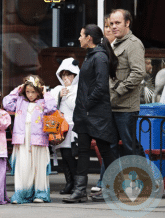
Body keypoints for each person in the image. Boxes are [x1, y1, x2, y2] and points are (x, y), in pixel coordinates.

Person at [63, 24, 118, 203]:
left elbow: (102, 87)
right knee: (83, 150)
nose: (79, 38)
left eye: (81, 35)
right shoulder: (91, 56)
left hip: (96, 113)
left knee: (104, 150)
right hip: (87, 113)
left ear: (89, 38)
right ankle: (79, 191)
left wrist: (87, 104)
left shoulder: (99, 57)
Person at [3, 75, 57, 204]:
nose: (30, 95)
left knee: (39, 166)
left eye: (33, 92)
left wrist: (46, 93)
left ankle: (40, 194)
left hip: (38, 139)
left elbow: (52, 108)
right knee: (23, 166)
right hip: (22, 139)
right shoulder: (20, 101)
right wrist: (17, 90)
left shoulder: (43, 102)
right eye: (28, 91)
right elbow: (6, 103)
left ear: (38, 91)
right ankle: (22, 194)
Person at [109, 9, 146, 158]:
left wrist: (118, 91)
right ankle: (105, 181)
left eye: (117, 23)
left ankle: (147, 177)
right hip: (112, 105)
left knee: (130, 146)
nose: (113, 26)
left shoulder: (134, 44)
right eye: (111, 23)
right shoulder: (114, 44)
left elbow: (138, 73)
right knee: (110, 147)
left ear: (127, 23)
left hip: (126, 107)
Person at [91, 14, 116, 194]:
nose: (109, 29)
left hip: (116, 102)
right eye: (106, 26)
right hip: (106, 104)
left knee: (114, 145)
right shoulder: (102, 50)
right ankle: (103, 180)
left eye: (112, 25)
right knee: (106, 145)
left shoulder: (108, 51)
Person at [50, 58, 79, 195]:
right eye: (63, 75)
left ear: (75, 75)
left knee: (71, 156)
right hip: (60, 128)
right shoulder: (57, 89)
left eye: (69, 75)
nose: (66, 78)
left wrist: (68, 93)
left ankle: (75, 184)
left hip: (73, 128)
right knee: (64, 156)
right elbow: (49, 104)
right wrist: (59, 95)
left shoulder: (79, 88)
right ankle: (69, 182)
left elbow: (75, 106)